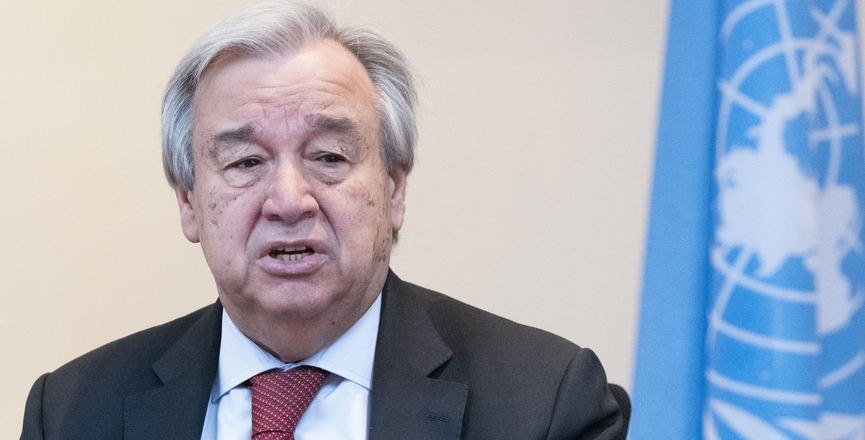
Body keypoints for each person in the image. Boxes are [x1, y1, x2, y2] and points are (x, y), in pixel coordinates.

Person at [20, 1, 627, 439]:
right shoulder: (74, 412)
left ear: (393, 187)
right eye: (246, 162)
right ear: (188, 201)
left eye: (329, 157)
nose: (289, 200)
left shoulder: (545, 404)